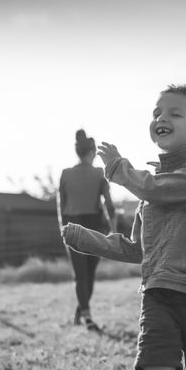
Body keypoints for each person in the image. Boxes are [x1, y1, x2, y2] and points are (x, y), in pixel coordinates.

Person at [62, 85, 186, 370]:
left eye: (174, 113)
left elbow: (160, 189)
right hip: (158, 295)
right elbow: (136, 249)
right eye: (156, 113)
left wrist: (117, 169)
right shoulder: (148, 196)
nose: (161, 118)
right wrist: (85, 238)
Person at [58, 129, 116, 332]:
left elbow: (61, 207)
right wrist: (114, 229)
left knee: (80, 275)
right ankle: (87, 316)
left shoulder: (65, 174)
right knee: (89, 275)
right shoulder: (99, 174)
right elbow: (109, 205)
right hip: (94, 227)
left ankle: (82, 311)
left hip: (71, 226)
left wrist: (63, 231)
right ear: (92, 152)